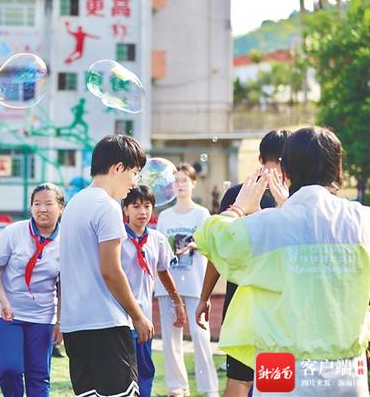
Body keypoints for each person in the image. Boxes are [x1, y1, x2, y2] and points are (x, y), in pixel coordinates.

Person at [194, 126, 370, 396]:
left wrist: (240, 207)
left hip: (280, 364)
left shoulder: (271, 224)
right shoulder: (362, 220)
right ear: (338, 171)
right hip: (348, 368)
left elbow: (212, 237)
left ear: (286, 171)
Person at [195, 129, 290, 397]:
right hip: (278, 306)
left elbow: (217, 249)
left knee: (240, 381)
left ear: (259, 159)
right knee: (274, 381)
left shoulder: (239, 195)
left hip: (242, 307)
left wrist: (205, 297)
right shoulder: (295, 198)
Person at [59, 134, 154, 397]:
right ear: (118, 168)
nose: (134, 182)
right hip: (106, 325)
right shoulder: (108, 207)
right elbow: (111, 271)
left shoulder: (74, 204)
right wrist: (137, 315)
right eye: (135, 172)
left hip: (74, 326)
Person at [0, 183, 64, 397]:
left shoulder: (67, 240)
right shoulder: (13, 233)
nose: (42, 209)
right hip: (6, 313)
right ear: (31, 208)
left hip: (42, 315)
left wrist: (60, 321)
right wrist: (3, 301)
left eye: (49, 204)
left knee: (38, 376)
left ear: (61, 208)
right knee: (9, 368)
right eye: (37, 204)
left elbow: (63, 284)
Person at [155, 163, 218, 397]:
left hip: (195, 284)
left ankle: (208, 388)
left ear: (193, 183)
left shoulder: (202, 214)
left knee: (201, 337)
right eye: (176, 180)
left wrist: (195, 244)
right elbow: (160, 251)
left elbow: (210, 245)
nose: (180, 184)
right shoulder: (164, 216)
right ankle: (176, 386)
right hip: (167, 286)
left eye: (184, 180)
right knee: (170, 340)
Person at [121, 185, 187, 397]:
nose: (142, 211)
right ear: (126, 210)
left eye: (147, 206)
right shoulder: (116, 238)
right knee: (121, 373)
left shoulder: (157, 240)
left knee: (145, 370)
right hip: (119, 318)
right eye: (136, 206)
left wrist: (178, 303)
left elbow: (164, 272)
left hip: (144, 319)